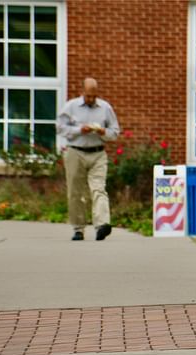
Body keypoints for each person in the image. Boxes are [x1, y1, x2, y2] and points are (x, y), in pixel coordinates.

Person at [57, 77, 120, 241]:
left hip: (98, 153)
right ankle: (78, 229)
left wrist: (103, 132)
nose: (91, 99)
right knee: (75, 192)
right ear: (82, 92)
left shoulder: (105, 108)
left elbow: (115, 132)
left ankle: (102, 225)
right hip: (75, 152)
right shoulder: (70, 107)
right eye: (88, 96)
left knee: (99, 189)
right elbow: (60, 128)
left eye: (94, 96)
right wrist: (79, 130)